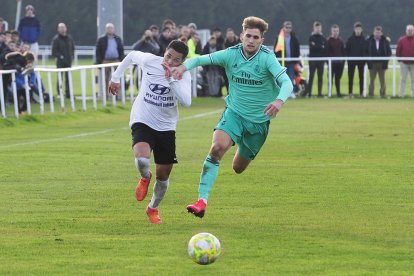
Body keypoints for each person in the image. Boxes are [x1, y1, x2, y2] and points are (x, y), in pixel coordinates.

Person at [170, 16, 293, 218]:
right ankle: (201, 201)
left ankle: (241, 144)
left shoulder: (267, 57)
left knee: (237, 168)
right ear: (241, 35)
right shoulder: (230, 54)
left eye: (256, 37)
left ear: (262, 39)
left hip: (258, 123)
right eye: (248, 36)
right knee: (217, 148)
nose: (251, 40)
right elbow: (201, 59)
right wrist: (182, 67)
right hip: (234, 114)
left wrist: (279, 101)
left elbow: (287, 83)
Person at [107, 40, 191, 224]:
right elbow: (131, 56)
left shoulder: (183, 74)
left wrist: (171, 79)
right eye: (168, 56)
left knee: (163, 177)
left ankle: (152, 208)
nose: (169, 61)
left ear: (183, 61)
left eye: (176, 60)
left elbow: (187, 101)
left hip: (166, 127)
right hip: (143, 119)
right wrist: (115, 77)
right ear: (165, 52)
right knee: (142, 158)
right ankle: (145, 177)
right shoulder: (150, 60)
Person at [95, 23, 124, 95]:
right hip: (105, 61)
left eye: (111, 28)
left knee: (117, 78)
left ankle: (116, 95)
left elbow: (121, 50)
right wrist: (99, 62)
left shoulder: (118, 39)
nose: (110, 30)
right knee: (106, 79)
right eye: (108, 28)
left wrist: (121, 61)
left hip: (116, 60)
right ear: (106, 29)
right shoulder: (101, 39)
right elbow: (98, 51)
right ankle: (106, 95)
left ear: (113, 29)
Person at [273, 21, 300, 96]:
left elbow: (297, 50)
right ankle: (279, 93)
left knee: (290, 78)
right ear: (283, 28)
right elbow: (276, 50)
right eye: (287, 27)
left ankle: (290, 93)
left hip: (291, 62)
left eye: (290, 28)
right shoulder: (279, 38)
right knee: (280, 78)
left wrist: (296, 60)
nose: (288, 29)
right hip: (281, 62)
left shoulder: (294, 38)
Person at [366, 26, 391, 98]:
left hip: (382, 64)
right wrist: (368, 61)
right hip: (372, 64)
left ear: (381, 33)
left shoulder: (385, 41)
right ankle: (370, 94)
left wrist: (385, 61)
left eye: (379, 33)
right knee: (371, 80)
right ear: (374, 33)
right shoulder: (369, 41)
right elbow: (366, 51)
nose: (377, 34)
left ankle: (383, 94)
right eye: (376, 32)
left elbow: (389, 53)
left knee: (382, 80)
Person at [51, 23, 75, 99]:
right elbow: (54, 51)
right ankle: (59, 93)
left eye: (63, 27)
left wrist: (72, 57)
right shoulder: (56, 39)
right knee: (60, 78)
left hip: (68, 61)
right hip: (60, 62)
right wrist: (61, 57)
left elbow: (73, 48)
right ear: (58, 29)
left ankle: (68, 93)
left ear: (66, 28)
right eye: (60, 28)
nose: (62, 29)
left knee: (68, 78)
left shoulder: (69, 38)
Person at [345, 22, 366, 97]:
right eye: (357, 29)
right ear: (354, 30)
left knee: (361, 78)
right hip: (351, 62)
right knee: (350, 78)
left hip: (361, 62)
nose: (358, 30)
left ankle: (361, 93)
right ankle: (350, 93)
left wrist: (364, 61)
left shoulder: (364, 39)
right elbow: (347, 50)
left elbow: (366, 50)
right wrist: (348, 60)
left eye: (359, 29)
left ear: (361, 30)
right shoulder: (350, 39)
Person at [306, 21, 326, 97]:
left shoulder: (323, 38)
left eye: (319, 28)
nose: (318, 29)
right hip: (312, 60)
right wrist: (320, 46)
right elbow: (312, 48)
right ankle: (309, 93)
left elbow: (324, 49)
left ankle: (319, 93)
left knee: (320, 77)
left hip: (321, 60)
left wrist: (317, 46)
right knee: (311, 77)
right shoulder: (311, 37)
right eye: (316, 28)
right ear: (314, 28)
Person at [326, 24, 345, 97]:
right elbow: (326, 52)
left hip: (339, 63)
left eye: (337, 31)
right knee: (330, 79)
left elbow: (343, 52)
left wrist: (342, 62)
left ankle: (338, 93)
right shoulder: (328, 40)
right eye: (334, 31)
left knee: (338, 79)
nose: (335, 32)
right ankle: (329, 93)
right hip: (331, 63)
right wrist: (327, 63)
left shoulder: (340, 41)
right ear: (331, 31)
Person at [396, 24, 414, 97]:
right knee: (403, 79)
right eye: (408, 30)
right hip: (404, 63)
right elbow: (398, 50)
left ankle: (413, 94)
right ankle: (401, 94)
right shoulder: (401, 40)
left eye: (411, 30)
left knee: (413, 80)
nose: (409, 32)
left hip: (413, 64)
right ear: (406, 31)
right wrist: (399, 59)